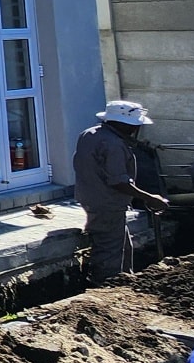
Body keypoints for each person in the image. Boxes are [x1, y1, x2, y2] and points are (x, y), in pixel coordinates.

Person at [72, 100, 169, 281]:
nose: (135, 130)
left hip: (92, 198)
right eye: (134, 126)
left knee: (122, 245)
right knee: (109, 250)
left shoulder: (90, 134)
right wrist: (150, 198)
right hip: (107, 203)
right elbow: (119, 182)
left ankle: (125, 280)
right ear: (123, 124)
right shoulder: (114, 144)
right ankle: (107, 286)